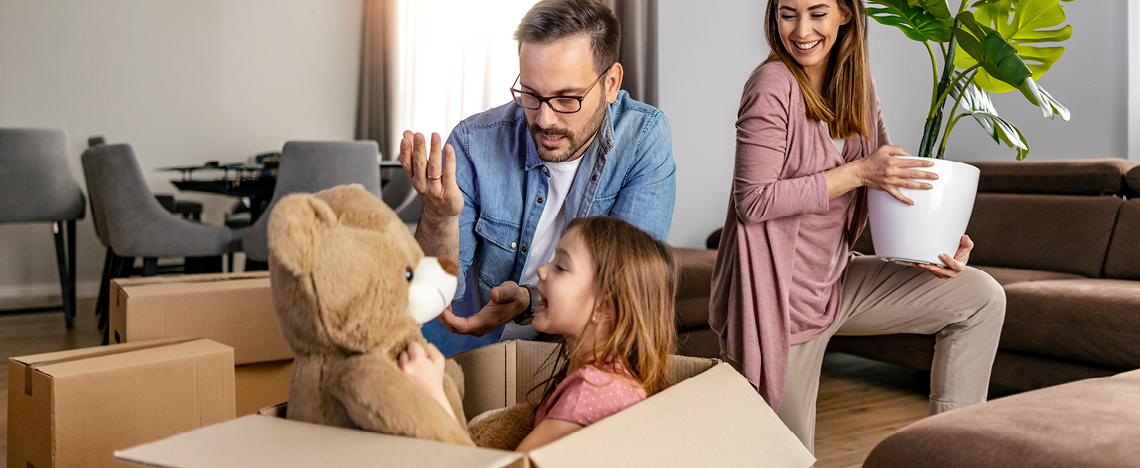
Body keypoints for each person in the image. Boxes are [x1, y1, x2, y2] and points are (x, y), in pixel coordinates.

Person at [709, 0, 1006, 453]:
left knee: (980, 297)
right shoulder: (771, 85)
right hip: (780, 299)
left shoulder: (857, 86)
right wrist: (858, 173)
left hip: (836, 280)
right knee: (783, 457)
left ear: (846, 13)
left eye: (817, 12)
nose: (801, 29)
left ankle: (952, 454)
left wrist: (936, 244)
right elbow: (753, 200)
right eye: (788, 14)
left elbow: (887, 175)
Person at [398, 0, 676, 356]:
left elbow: (628, 287)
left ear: (611, 83)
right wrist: (439, 216)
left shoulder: (642, 138)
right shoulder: (473, 143)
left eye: (566, 99)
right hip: (470, 353)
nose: (543, 120)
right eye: (529, 94)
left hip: (578, 354)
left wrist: (531, 300)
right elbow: (431, 294)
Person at [399, 216, 677, 449]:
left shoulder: (593, 391)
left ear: (605, 307)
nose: (542, 271)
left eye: (561, 267)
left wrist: (433, 395)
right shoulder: (606, 377)